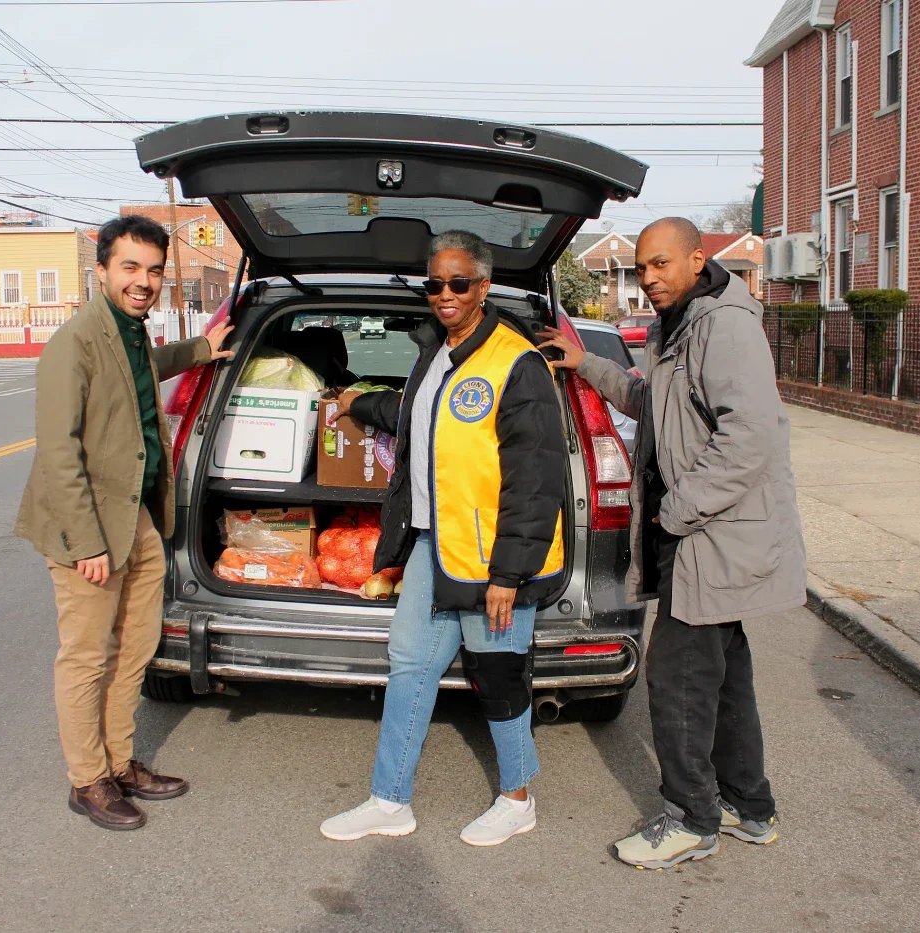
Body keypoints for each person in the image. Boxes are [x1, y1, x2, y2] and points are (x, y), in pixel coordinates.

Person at [538, 217, 805, 869]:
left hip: (711, 540)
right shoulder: (677, 327)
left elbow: (750, 438)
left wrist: (676, 511)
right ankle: (750, 805)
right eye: (642, 266)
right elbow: (644, 397)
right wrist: (583, 364)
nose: (649, 277)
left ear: (696, 258)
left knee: (678, 677)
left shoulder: (724, 326)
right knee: (724, 681)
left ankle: (690, 818)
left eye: (661, 264)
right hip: (701, 539)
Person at [320, 230, 565, 847]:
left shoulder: (516, 363)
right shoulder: (437, 356)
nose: (445, 294)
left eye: (459, 283)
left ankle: (518, 797)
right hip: (433, 547)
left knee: (498, 674)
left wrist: (509, 573)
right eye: (435, 284)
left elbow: (536, 480)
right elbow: (413, 417)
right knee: (408, 667)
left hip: (491, 558)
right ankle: (389, 798)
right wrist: (354, 402)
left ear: (483, 287)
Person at [15, 215, 234, 831]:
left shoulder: (129, 331)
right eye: (130, 268)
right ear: (103, 270)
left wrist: (201, 351)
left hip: (134, 514)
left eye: (153, 270)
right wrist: (86, 543)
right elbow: (58, 452)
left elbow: (145, 369)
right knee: (86, 656)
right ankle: (87, 782)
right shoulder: (75, 343)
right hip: (87, 526)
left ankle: (118, 762)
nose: (143, 281)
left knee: (134, 648)